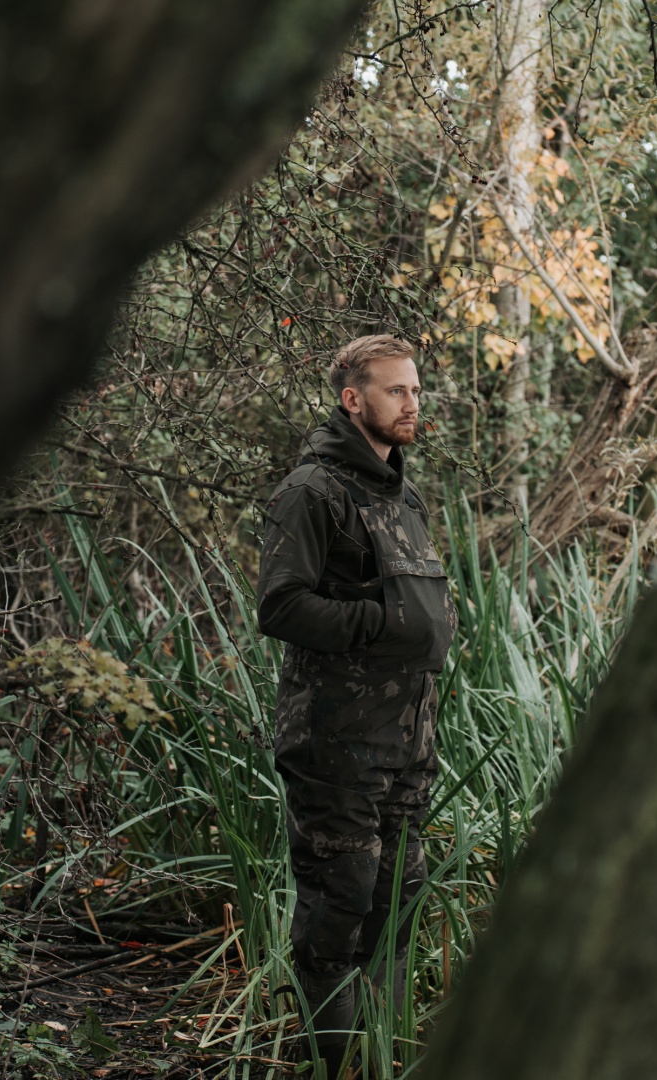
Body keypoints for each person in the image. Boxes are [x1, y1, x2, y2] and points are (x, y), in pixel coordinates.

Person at [256, 334, 457, 1068]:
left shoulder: (403, 493)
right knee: (336, 912)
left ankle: (380, 1062)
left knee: (395, 913)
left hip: (406, 748)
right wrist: (381, 622)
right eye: (396, 391)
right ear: (353, 399)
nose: (413, 403)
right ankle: (329, 1066)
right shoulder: (311, 492)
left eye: (415, 390)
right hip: (335, 747)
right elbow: (278, 606)